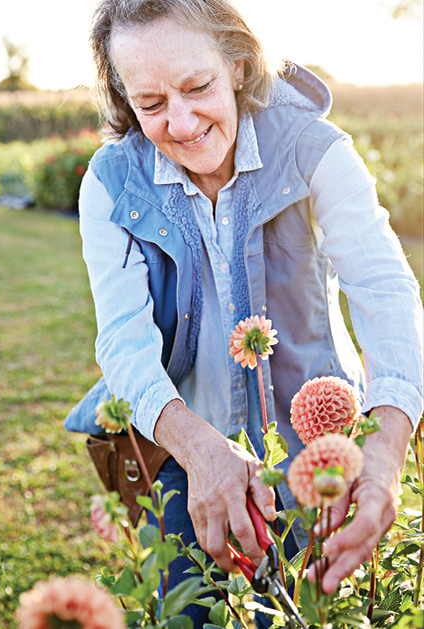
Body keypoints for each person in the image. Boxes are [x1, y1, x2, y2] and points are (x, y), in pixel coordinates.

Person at [65, 0, 423, 626]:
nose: (180, 122)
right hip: (183, 447)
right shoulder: (111, 182)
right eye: (150, 104)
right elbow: (123, 345)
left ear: (234, 62)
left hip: (315, 445)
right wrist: (203, 455)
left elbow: (385, 290)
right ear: (125, 99)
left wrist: (388, 450)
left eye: (197, 87)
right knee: (188, 612)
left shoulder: (314, 149)